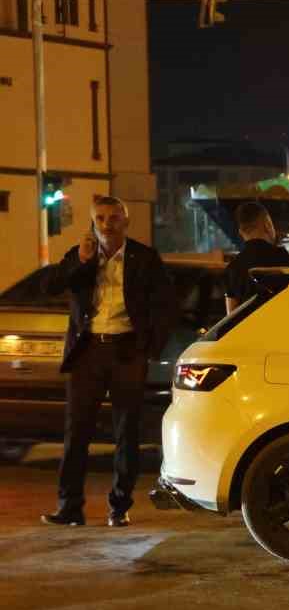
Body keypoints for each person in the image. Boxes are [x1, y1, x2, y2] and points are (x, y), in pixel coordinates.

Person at [42, 195, 176, 527]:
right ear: (92, 222)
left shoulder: (144, 258)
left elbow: (167, 305)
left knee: (126, 431)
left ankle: (119, 506)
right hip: (87, 351)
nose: (106, 224)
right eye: (100, 218)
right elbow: (50, 286)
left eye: (114, 217)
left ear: (125, 221)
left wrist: (148, 348)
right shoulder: (81, 256)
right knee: (77, 432)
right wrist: (82, 262)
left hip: (126, 351)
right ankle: (70, 507)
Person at [224, 202, 289, 314]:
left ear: (241, 232)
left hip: (250, 330)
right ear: (267, 225)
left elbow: (231, 314)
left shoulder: (233, 266)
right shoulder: (281, 256)